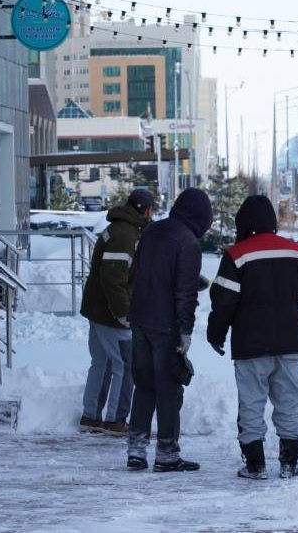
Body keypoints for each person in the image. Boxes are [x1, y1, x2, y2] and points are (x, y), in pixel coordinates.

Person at [207, 195, 298, 479]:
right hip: (290, 341)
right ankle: (289, 463)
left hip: (250, 343)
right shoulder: (296, 251)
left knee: (252, 403)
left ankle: (255, 465)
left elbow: (224, 301)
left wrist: (216, 334)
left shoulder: (237, 254)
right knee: (289, 402)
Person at [126, 187, 212, 472]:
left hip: (139, 319)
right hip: (165, 325)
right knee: (169, 389)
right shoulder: (188, 243)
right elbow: (185, 293)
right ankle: (167, 454)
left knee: (144, 385)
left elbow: (140, 272)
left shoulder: (152, 231)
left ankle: (136, 450)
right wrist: (185, 330)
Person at [78, 189, 156, 436]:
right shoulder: (125, 234)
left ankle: (91, 416)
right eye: (152, 209)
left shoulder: (121, 228)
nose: (152, 214)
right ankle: (116, 420)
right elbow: (113, 277)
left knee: (101, 363)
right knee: (125, 365)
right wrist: (123, 313)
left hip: (98, 309)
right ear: (144, 209)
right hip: (110, 313)